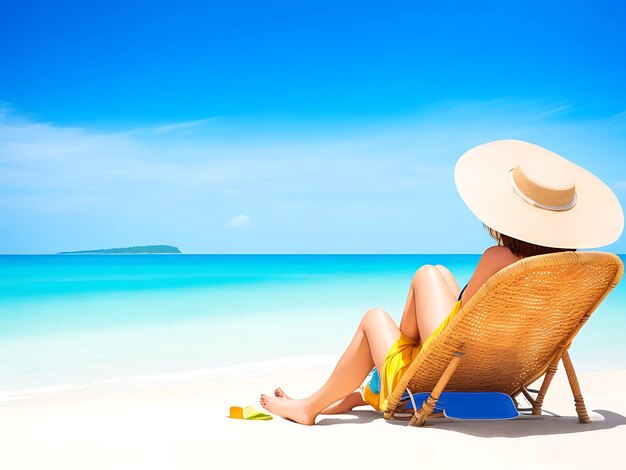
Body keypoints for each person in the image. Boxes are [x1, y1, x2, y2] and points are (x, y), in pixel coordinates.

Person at [259, 139, 624, 425]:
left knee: (410, 288)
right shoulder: (573, 272)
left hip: (453, 366)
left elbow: (460, 322)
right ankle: (369, 390)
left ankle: (316, 404)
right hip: (503, 371)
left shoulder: (499, 259)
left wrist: (411, 340)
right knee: (442, 275)